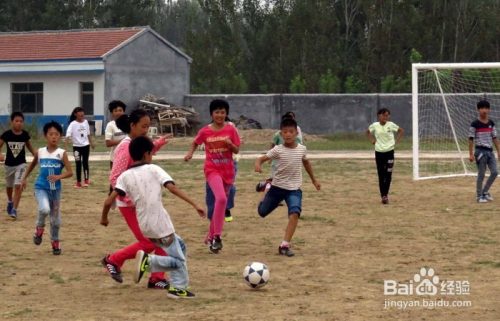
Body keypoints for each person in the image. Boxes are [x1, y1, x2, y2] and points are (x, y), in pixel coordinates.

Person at [101, 136, 206, 299]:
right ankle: (149, 264)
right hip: (160, 224)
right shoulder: (154, 169)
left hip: (145, 225)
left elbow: (109, 201)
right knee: (177, 260)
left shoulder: (125, 176)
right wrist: (195, 204)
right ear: (146, 154)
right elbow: (172, 188)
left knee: (181, 246)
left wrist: (104, 218)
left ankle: (177, 287)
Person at [101, 109, 173, 291]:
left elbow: (144, 153)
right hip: (130, 205)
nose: (146, 130)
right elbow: (115, 177)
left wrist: (159, 143)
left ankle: (157, 278)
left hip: (144, 202)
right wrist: (129, 199)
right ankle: (112, 260)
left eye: (148, 127)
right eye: (143, 126)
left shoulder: (138, 144)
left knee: (163, 237)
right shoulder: (124, 148)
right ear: (132, 126)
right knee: (149, 242)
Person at [254, 118, 321, 257]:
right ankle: (267, 185)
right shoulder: (278, 149)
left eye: (291, 131)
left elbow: (306, 163)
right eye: (285, 132)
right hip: (277, 187)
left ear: (296, 133)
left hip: (294, 189)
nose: (288, 134)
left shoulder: (302, 149)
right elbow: (262, 158)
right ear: (281, 134)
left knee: (294, 213)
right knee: (262, 212)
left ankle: (284, 245)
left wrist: (314, 180)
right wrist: (258, 164)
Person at [185, 99, 241, 254]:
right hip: (212, 170)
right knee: (221, 199)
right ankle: (217, 237)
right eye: (217, 112)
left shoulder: (231, 129)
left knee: (220, 206)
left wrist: (230, 145)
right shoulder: (205, 131)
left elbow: (236, 150)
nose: (220, 115)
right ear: (211, 114)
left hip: (228, 171)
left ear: (226, 114)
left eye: (222, 112)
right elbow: (195, 142)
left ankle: (209, 236)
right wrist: (190, 153)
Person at [21, 121, 73, 255]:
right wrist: (24, 178)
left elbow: (70, 172)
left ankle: (55, 241)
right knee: (44, 209)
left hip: (55, 191)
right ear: (45, 136)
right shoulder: (40, 152)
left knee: (55, 220)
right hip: (41, 188)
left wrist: (58, 177)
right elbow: (32, 165)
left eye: (57, 134)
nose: (54, 137)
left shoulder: (62, 153)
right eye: (51, 134)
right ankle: (39, 227)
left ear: (60, 136)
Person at [0, 112, 36, 218]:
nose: (18, 123)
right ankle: (10, 201)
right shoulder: (6, 134)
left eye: (21, 121)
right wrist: (1, 154)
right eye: (16, 121)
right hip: (9, 165)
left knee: (18, 185)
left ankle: (15, 209)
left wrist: (36, 155)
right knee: (9, 187)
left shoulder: (24, 135)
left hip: (21, 164)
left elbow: (29, 146)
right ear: (12, 122)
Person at [365, 108, 404, 204]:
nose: (385, 117)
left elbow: (401, 131)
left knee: (388, 174)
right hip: (379, 152)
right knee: (381, 174)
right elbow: (367, 132)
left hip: (389, 152)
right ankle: (383, 195)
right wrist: (372, 140)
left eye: (387, 115)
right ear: (379, 115)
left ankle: (386, 193)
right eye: (383, 115)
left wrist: (396, 140)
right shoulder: (375, 125)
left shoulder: (391, 125)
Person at [205, 117, 238, 222]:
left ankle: (226, 208)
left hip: (229, 164)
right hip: (213, 165)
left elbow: (236, 146)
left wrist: (230, 144)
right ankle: (212, 216)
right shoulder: (208, 129)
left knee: (229, 189)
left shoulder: (231, 127)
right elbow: (201, 144)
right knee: (211, 190)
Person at [468, 100, 500, 203]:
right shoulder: (475, 124)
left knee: (495, 172)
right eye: (482, 108)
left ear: (489, 110)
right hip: (480, 151)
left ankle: (485, 192)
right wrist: (471, 154)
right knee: (481, 174)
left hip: (490, 152)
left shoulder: (491, 123)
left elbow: (494, 137)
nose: (484, 110)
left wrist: (498, 150)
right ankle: (479, 196)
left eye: (486, 108)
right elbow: (471, 139)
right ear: (478, 110)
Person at [65, 107, 94, 187]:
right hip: (77, 147)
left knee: (85, 163)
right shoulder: (73, 124)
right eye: (79, 112)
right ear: (75, 114)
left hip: (85, 146)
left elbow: (88, 133)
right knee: (78, 164)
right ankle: (78, 182)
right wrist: (66, 146)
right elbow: (68, 135)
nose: (82, 113)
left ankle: (86, 181)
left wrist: (91, 143)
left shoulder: (85, 122)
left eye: (82, 111)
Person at [104, 100, 127, 194]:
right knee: (115, 181)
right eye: (115, 111)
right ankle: (111, 200)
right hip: (116, 158)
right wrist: (123, 141)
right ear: (112, 113)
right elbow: (108, 143)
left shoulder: (129, 123)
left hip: (128, 157)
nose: (118, 113)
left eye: (120, 110)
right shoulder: (111, 125)